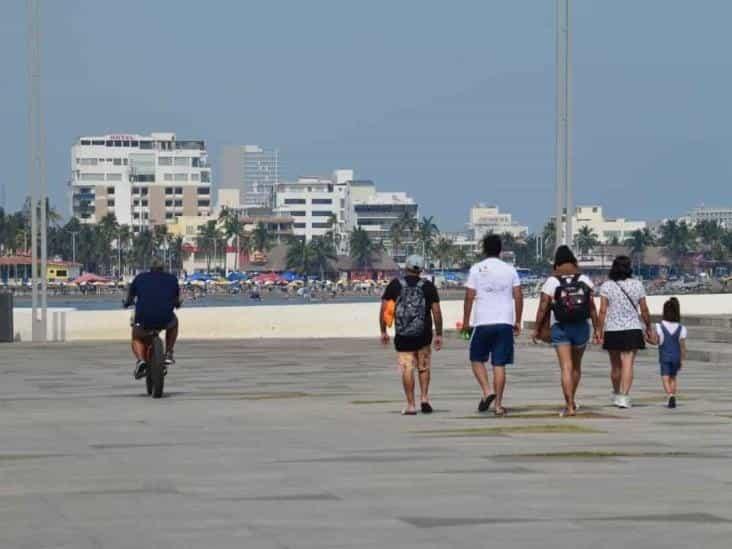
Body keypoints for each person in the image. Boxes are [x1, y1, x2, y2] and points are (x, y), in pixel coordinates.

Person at [533, 246, 600, 417]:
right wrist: (598, 328)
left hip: (560, 327)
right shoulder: (584, 279)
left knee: (566, 367)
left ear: (557, 263)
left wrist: (537, 329)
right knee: (576, 366)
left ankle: (569, 405)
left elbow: (542, 307)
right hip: (581, 327)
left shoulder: (552, 281)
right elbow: (592, 308)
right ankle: (572, 399)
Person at [462, 234, 523, 416]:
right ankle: (498, 405)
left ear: (484, 249)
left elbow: (469, 296)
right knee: (499, 364)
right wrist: (517, 320)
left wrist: (466, 321)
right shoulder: (510, 269)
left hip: (483, 321)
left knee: (476, 358)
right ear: (500, 250)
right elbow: (518, 295)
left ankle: (487, 390)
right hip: (504, 322)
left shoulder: (476, 269)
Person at [380, 255, 443, 415]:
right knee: (423, 367)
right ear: (421, 269)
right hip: (423, 334)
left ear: (406, 267)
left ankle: (410, 405)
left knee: (407, 368)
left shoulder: (395, 285)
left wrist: (383, 331)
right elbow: (436, 311)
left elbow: (385, 310)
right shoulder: (428, 286)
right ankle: (424, 398)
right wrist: (439, 334)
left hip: (403, 335)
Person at [597, 255, 653, 409]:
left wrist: (598, 329)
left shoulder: (607, 286)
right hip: (632, 328)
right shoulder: (637, 285)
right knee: (628, 363)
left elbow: (602, 311)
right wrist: (648, 327)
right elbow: (644, 309)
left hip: (613, 329)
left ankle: (616, 393)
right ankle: (624, 396)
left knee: (615, 366)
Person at [123, 259, 181, 380]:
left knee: (136, 335)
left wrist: (127, 303)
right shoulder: (172, 279)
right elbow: (177, 300)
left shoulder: (140, 278)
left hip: (144, 317)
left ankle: (140, 360)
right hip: (165, 317)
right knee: (174, 322)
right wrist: (177, 304)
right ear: (163, 268)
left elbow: (129, 298)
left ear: (150, 268)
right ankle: (169, 352)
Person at [648, 297, 687, 408]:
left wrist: (648, 340)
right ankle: (673, 394)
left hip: (664, 356)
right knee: (673, 377)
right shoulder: (681, 328)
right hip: (676, 356)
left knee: (665, 378)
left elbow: (657, 341)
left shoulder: (660, 326)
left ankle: (670, 395)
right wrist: (682, 359)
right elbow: (682, 346)